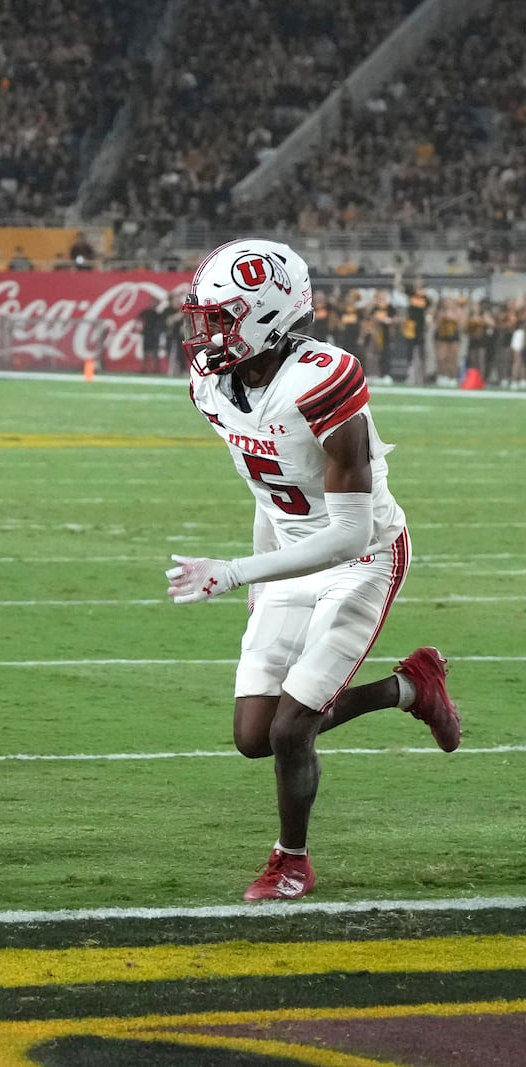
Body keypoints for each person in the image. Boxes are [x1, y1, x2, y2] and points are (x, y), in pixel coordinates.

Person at [167, 238, 460, 901]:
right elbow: (267, 496)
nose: (205, 333)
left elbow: (349, 530)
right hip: (288, 554)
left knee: (293, 724)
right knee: (253, 736)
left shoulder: (324, 378)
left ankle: (291, 859)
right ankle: (410, 688)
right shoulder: (212, 385)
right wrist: (263, 579)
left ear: (267, 315)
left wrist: (240, 571)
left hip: (362, 556)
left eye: (219, 317)